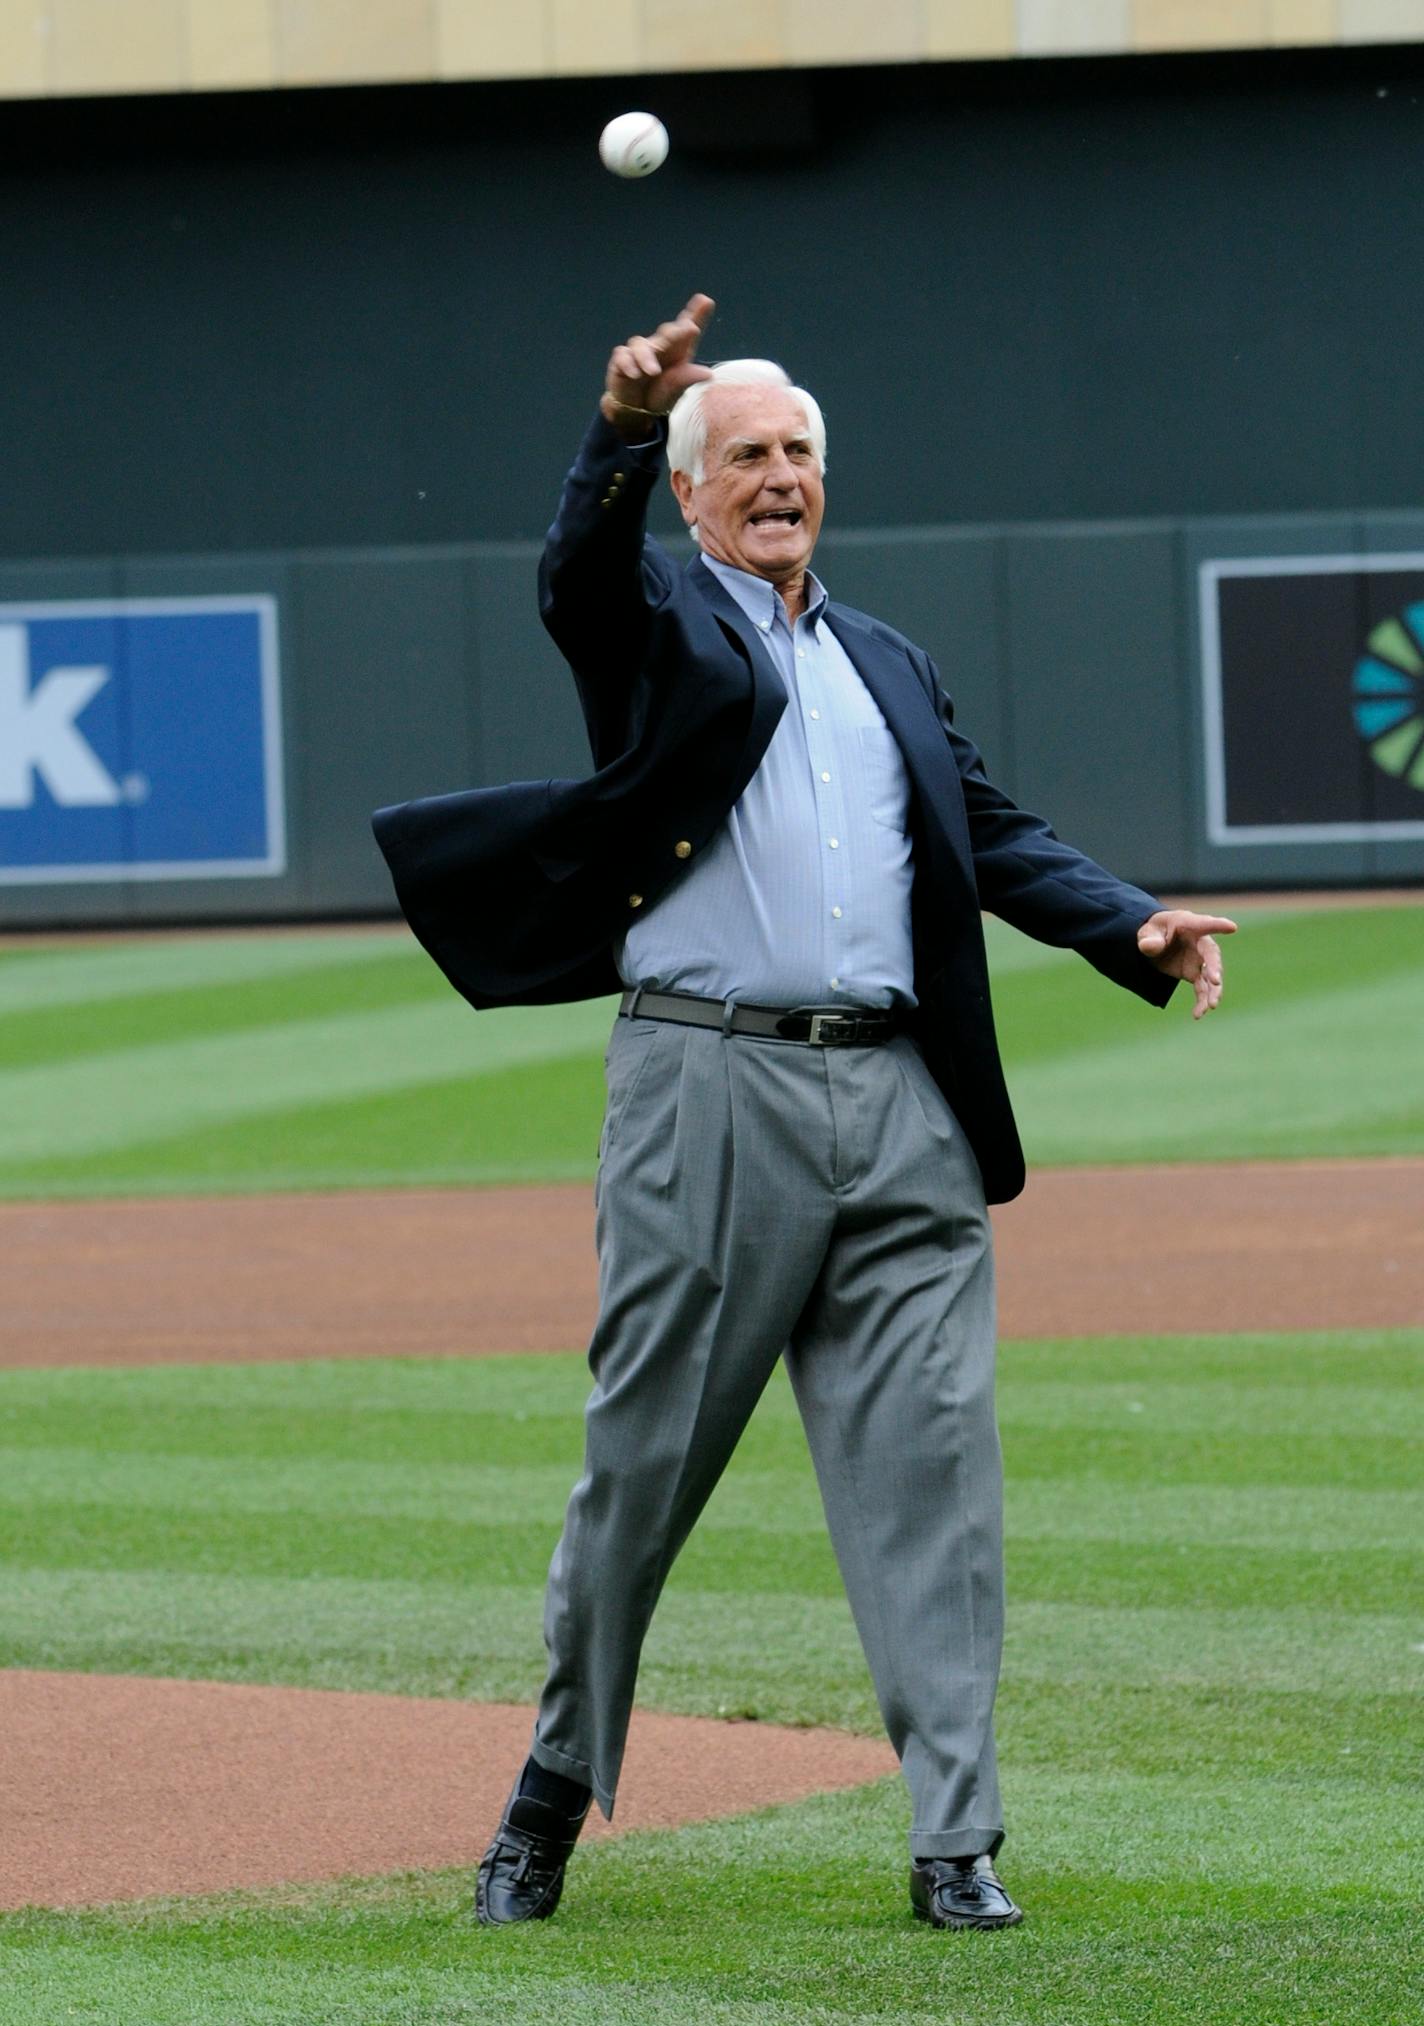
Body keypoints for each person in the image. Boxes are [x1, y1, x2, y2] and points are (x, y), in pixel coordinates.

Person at [372, 293, 1235, 1934]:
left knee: (936, 1467)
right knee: (644, 1464)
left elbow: (982, 823)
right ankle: (554, 1791)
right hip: (710, 1085)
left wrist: (1126, 920)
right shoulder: (656, 633)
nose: (781, 475)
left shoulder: (882, 656)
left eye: (801, 453)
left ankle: (954, 1839)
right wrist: (623, 428)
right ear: (693, 493)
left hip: (900, 1101)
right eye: (748, 454)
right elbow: (575, 577)